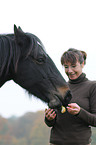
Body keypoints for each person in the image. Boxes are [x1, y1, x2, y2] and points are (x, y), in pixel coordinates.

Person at [44, 48, 96, 145]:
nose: (70, 71)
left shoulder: (92, 87)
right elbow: (50, 123)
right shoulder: (59, 88)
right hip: (56, 142)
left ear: (82, 64)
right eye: (66, 67)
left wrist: (79, 112)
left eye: (73, 66)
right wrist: (49, 118)